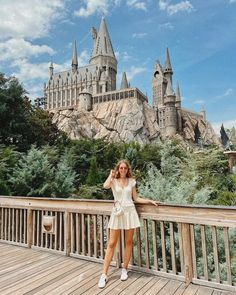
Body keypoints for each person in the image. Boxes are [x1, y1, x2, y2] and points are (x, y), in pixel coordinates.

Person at [98, 159, 160, 288]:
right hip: (117, 212)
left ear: (127, 170)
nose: (123, 170)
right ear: (118, 169)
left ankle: (124, 269)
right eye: (121, 168)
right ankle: (104, 275)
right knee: (111, 243)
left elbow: (135, 198)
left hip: (130, 211)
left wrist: (149, 201)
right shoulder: (113, 181)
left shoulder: (131, 181)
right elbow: (105, 186)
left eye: (125, 168)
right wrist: (111, 174)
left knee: (128, 242)